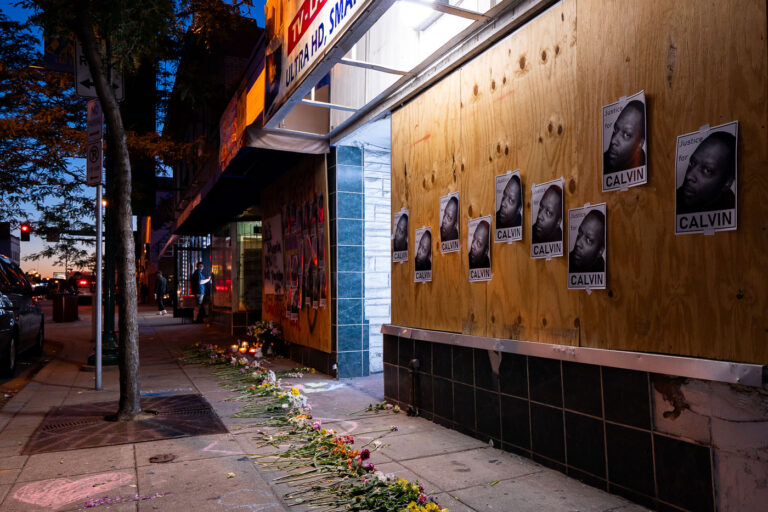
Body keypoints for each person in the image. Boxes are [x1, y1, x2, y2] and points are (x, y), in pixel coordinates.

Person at [676, 131, 736, 214]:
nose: (689, 176)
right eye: (692, 163)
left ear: (727, 182)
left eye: (707, 170)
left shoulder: (735, 211)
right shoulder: (672, 202)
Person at [604, 100, 646, 174]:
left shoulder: (645, 167)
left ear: (640, 144)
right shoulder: (601, 163)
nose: (613, 140)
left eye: (626, 135)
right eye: (615, 129)